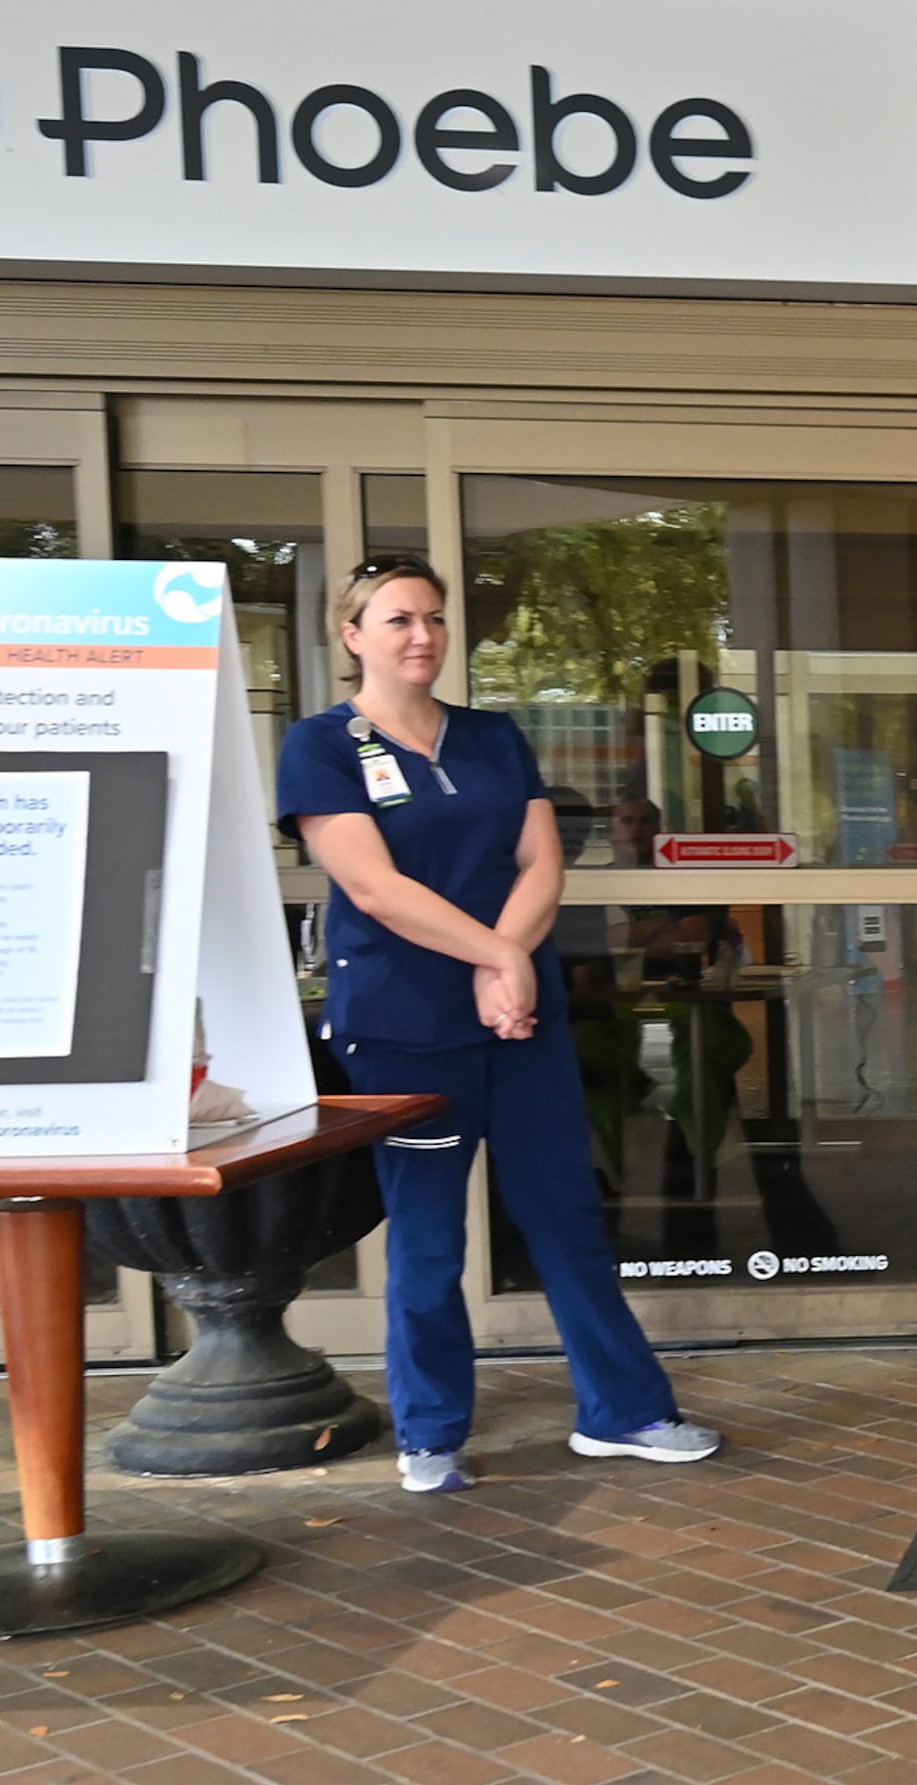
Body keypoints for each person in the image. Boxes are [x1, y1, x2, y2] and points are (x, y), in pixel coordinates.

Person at [275, 556, 730, 1495]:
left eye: (434, 619)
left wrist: (509, 963)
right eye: (399, 620)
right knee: (430, 1237)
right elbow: (374, 887)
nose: (422, 636)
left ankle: (623, 1411)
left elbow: (540, 862)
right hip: (410, 1028)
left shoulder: (492, 737)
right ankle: (431, 1434)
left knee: (565, 1218)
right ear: (353, 635)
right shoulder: (321, 747)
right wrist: (498, 956)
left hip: (521, 1022)